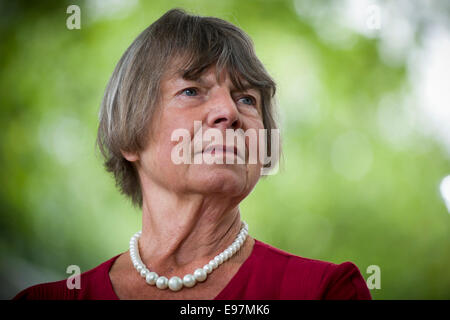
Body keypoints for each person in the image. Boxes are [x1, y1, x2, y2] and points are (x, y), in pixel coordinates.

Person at [13, 8, 371, 300]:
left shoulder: (324, 291)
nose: (228, 112)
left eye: (247, 99)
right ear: (130, 135)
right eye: (191, 91)